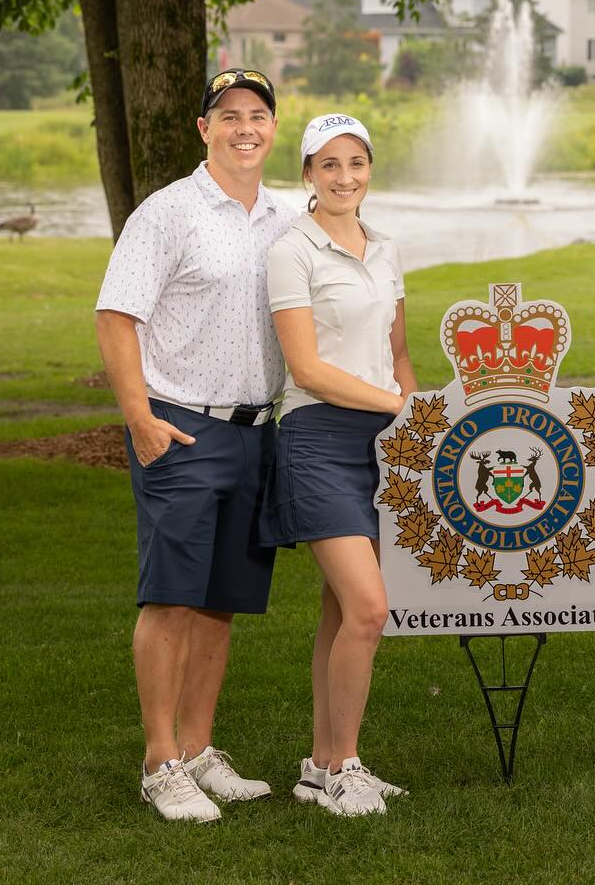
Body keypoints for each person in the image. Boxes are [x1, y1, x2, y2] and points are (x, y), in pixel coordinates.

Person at [95, 67, 296, 822]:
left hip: (256, 431)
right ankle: (160, 762)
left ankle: (201, 751)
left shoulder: (285, 218)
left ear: (273, 128)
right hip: (180, 424)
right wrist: (140, 417)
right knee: (173, 598)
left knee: (220, 603)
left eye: (258, 115)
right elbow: (116, 317)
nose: (245, 127)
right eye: (229, 115)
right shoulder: (167, 213)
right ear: (203, 128)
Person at [258, 113, 417, 817]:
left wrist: (418, 422)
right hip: (317, 437)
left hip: (382, 442)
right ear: (307, 175)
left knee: (337, 608)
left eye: (356, 163)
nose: (344, 177)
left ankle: (320, 766)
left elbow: (401, 353)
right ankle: (348, 765)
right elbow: (308, 368)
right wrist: (396, 405)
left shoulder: (384, 248)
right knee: (368, 607)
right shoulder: (292, 249)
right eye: (329, 165)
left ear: (369, 168)